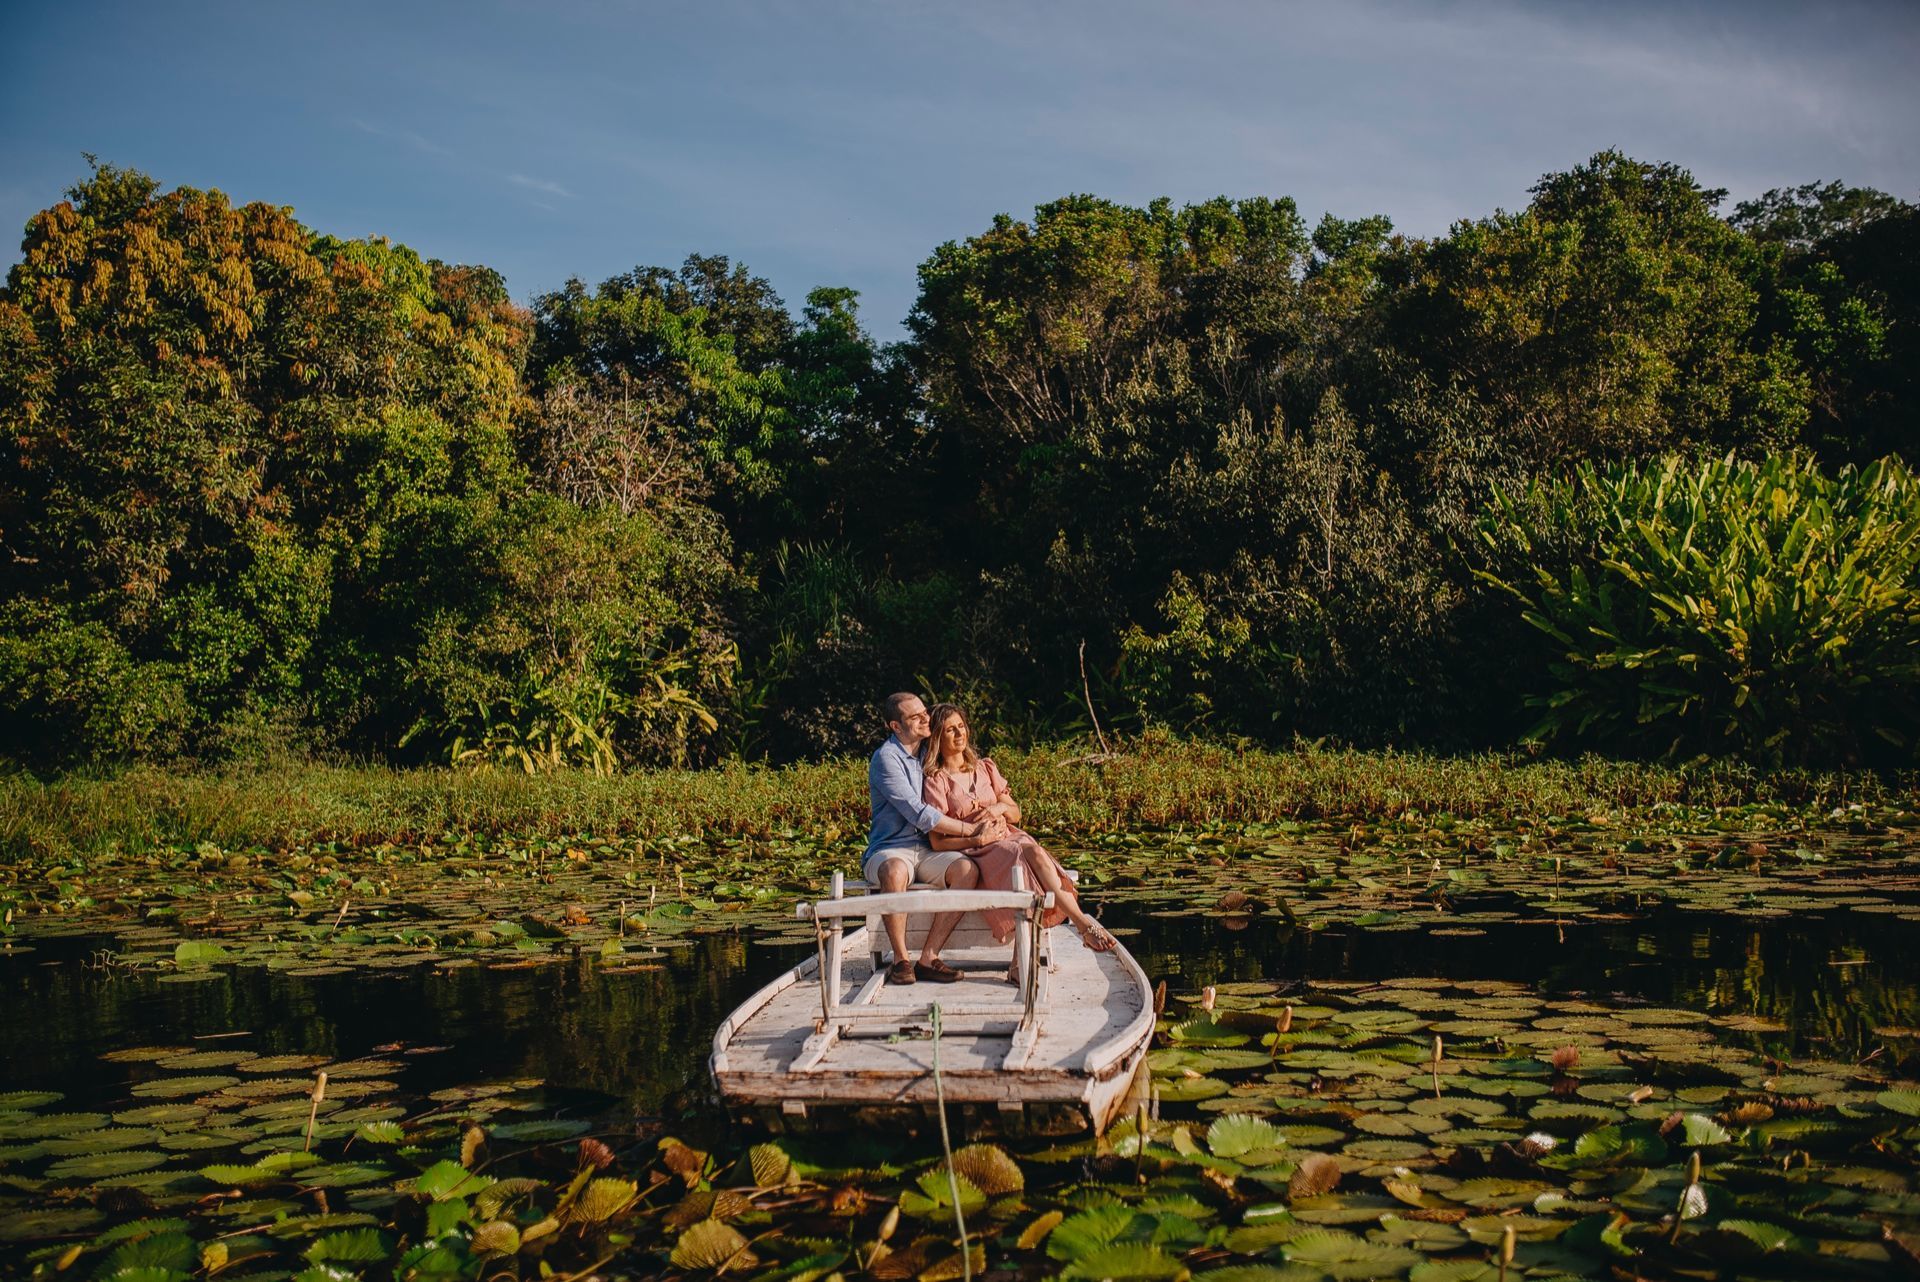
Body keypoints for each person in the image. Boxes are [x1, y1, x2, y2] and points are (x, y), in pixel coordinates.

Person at [918, 702, 1116, 978]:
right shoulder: (936, 780)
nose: (959, 734)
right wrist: (977, 838)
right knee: (1021, 855)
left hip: (1011, 838)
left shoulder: (985, 768)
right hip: (981, 849)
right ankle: (1060, 937)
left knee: (1032, 851)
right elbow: (938, 842)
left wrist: (999, 808)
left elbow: (1015, 812)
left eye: (961, 726)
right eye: (950, 729)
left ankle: (1079, 925)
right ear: (938, 736)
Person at [864, 692, 1009, 984]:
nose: (925, 718)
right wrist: (972, 831)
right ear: (896, 726)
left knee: (967, 870)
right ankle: (902, 961)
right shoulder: (886, 758)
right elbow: (919, 813)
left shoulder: (926, 752)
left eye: (924, 712)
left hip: (928, 848)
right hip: (891, 848)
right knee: (893, 871)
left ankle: (929, 957)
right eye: (915, 716)